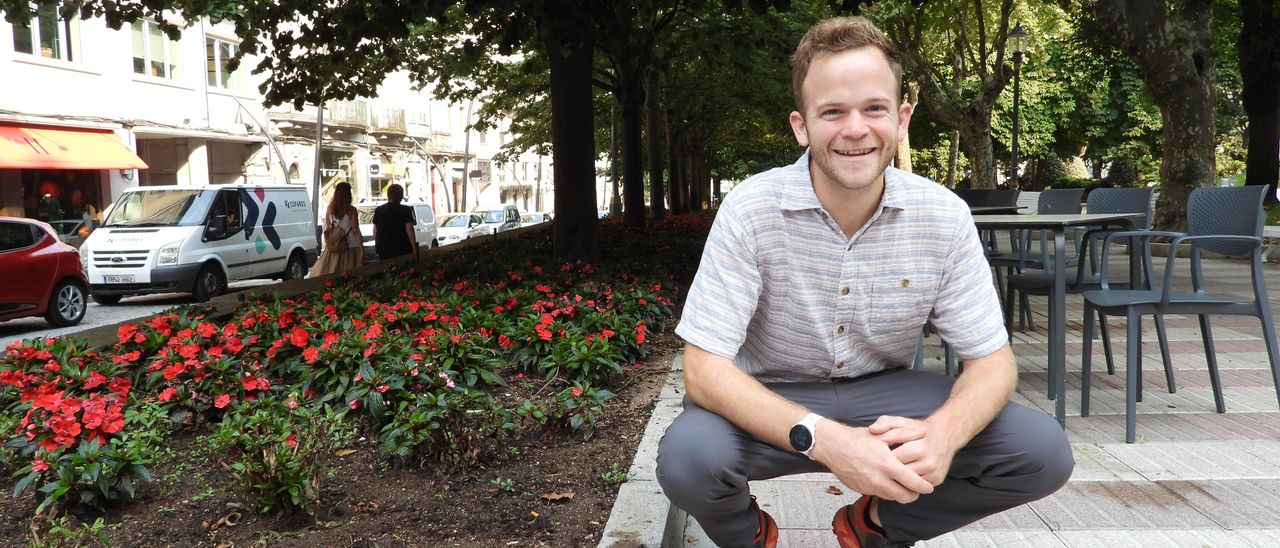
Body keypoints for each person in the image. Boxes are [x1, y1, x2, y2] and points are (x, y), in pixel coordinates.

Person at [654, 17, 1073, 548]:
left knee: (1041, 451)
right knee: (689, 459)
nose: (855, 129)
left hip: (887, 396)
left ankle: (875, 525)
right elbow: (704, 371)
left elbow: (991, 362)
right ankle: (749, 537)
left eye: (874, 109)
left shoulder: (942, 216)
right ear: (801, 126)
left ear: (901, 118)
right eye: (832, 112)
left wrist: (943, 436)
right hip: (770, 395)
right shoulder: (751, 210)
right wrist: (825, 440)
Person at [308, 182, 363, 277]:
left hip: (334, 248)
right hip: (350, 247)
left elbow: (328, 229)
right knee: (350, 275)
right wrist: (361, 249)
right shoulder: (352, 210)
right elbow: (356, 231)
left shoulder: (330, 209)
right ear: (348, 194)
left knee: (330, 273)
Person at [372, 183, 417, 261]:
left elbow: (375, 229)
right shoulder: (405, 210)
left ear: (388, 195)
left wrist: (377, 244)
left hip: (384, 248)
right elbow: (409, 228)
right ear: (401, 196)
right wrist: (414, 248)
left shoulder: (379, 210)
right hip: (402, 247)